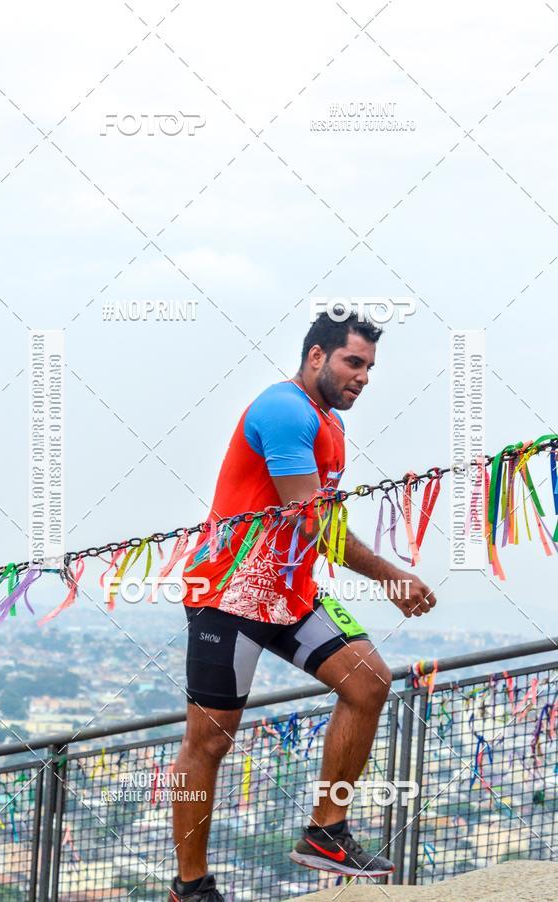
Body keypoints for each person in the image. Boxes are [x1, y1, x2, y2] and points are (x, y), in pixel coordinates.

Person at [168, 312, 436, 901]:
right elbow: (313, 518)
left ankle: (325, 830)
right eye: (353, 362)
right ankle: (191, 888)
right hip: (229, 593)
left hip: (290, 590)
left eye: (368, 367)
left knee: (367, 682)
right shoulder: (285, 410)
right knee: (208, 742)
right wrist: (390, 576)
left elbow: (316, 523)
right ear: (317, 356)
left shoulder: (331, 423)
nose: (362, 377)